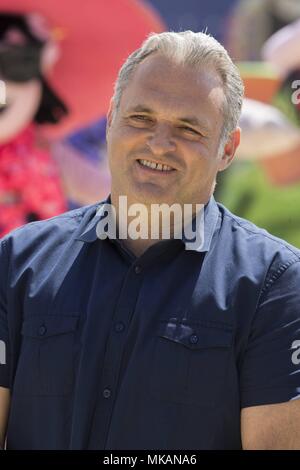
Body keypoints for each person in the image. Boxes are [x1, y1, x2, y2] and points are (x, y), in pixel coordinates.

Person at [0, 31, 300, 450]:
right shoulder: (17, 261)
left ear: (228, 149)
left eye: (189, 128)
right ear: (110, 121)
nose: (160, 142)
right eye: (141, 118)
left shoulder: (277, 283)